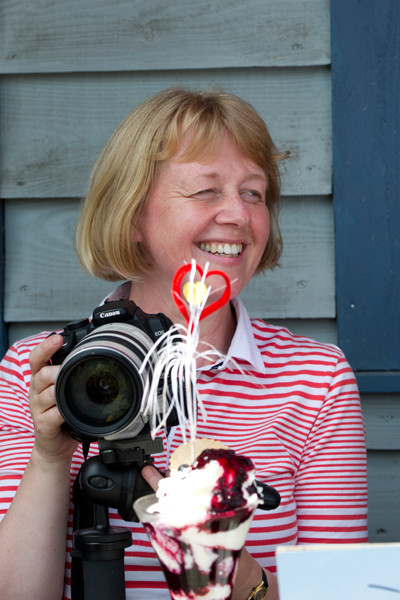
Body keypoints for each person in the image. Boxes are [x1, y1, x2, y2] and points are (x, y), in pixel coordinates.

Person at [0, 88, 368, 600]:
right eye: (207, 191)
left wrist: (241, 582)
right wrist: (50, 457)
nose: (239, 215)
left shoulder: (314, 379)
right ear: (133, 218)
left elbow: (345, 593)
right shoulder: (40, 371)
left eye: (253, 192)